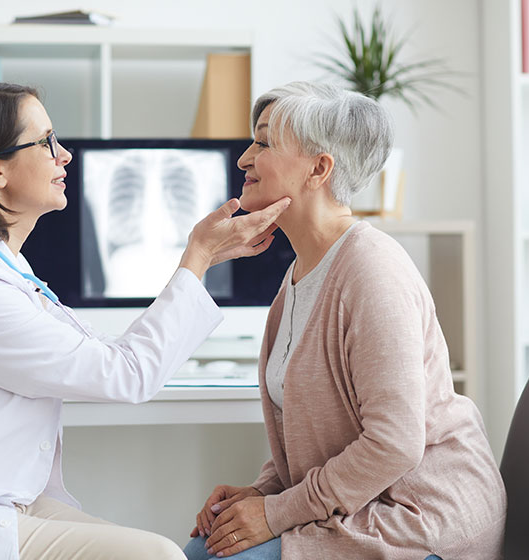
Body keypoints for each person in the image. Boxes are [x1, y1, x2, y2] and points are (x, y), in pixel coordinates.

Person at [0, 82, 290, 560]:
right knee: (158, 555)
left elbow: (102, 354)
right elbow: (127, 375)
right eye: (46, 142)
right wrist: (198, 257)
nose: (65, 156)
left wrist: (202, 261)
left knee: (154, 546)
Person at [184, 82, 506, 560]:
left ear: (319, 168)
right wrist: (262, 492)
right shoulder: (300, 273)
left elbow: (394, 444)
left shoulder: (373, 272)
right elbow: (315, 434)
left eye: (264, 142)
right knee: (198, 549)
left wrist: (275, 513)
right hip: (359, 504)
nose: (243, 159)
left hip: (419, 515)